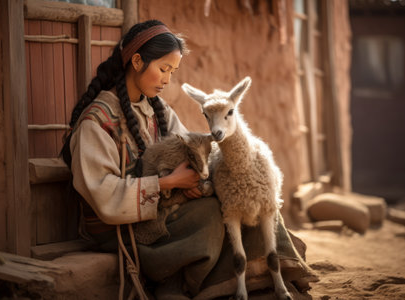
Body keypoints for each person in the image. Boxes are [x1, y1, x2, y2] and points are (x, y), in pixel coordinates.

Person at [61, 19, 316, 300]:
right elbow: (103, 195)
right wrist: (168, 182)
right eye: (163, 69)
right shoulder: (96, 122)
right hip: (119, 229)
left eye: (172, 71)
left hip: (163, 211)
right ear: (136, 61)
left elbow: (195, 153)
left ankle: (269, 276)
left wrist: (193, 183)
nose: (167, 79)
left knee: (247, 198)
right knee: (209, 215)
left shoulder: (159, 112)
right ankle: (177, 285)